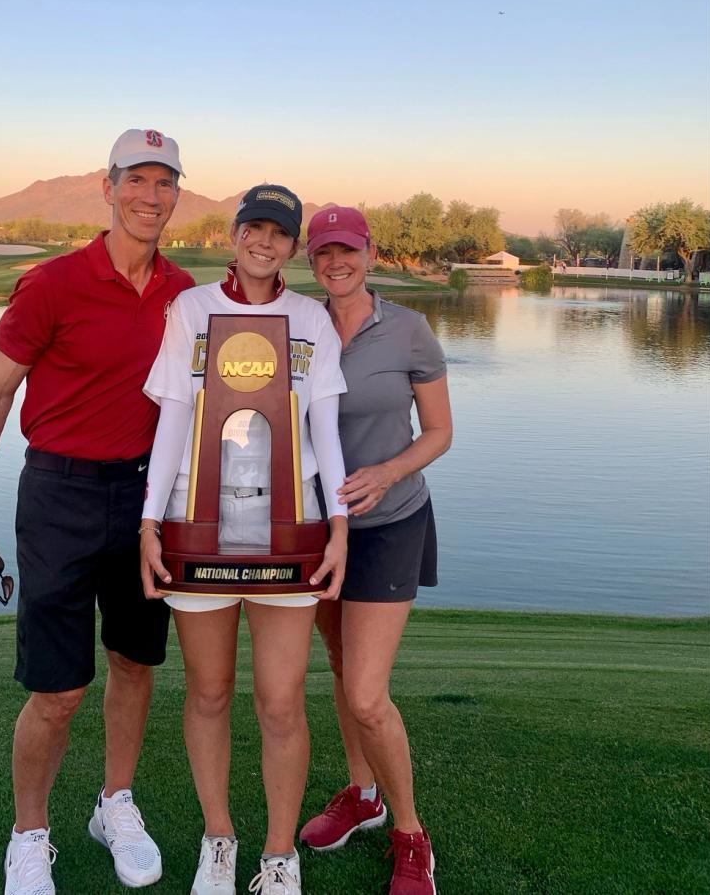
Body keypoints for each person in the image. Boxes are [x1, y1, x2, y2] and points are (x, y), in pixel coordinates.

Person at [0, 129, 194, 895]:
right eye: (137, 180)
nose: (151, 196)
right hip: (60, 493)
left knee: (134, 660)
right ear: (108, 185)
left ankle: (113, 802)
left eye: (165, 183)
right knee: (57, 689)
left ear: (177, 193)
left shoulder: (185, 293)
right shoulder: (51, 283)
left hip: (150, 497)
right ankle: (29, 833)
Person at [139, 184, 349, 895]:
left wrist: (340, 521)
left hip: (289, 531)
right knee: (207, 692)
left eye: (280, 232)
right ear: (233, 232)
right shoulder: (190, 310)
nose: (265, 241)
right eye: (253, 227)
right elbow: (171, 418)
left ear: (294, 246)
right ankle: (218, 838)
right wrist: (148, 518)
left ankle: (279, 853)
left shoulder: (311, 318)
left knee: (283, 701)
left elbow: (325, 422)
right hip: (197, 528)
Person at [298, 206, 453, 895]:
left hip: (390, 521)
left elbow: (440, 431)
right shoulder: (298, 324)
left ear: (369, 253)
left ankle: (411, 834)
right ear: (312, 260)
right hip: (313, 527)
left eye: (348, 250)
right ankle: (362, 794)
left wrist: (387, 471)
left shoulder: (409, 330)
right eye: (325, 251)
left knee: (366, 692)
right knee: (339, 664)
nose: (338, 262)